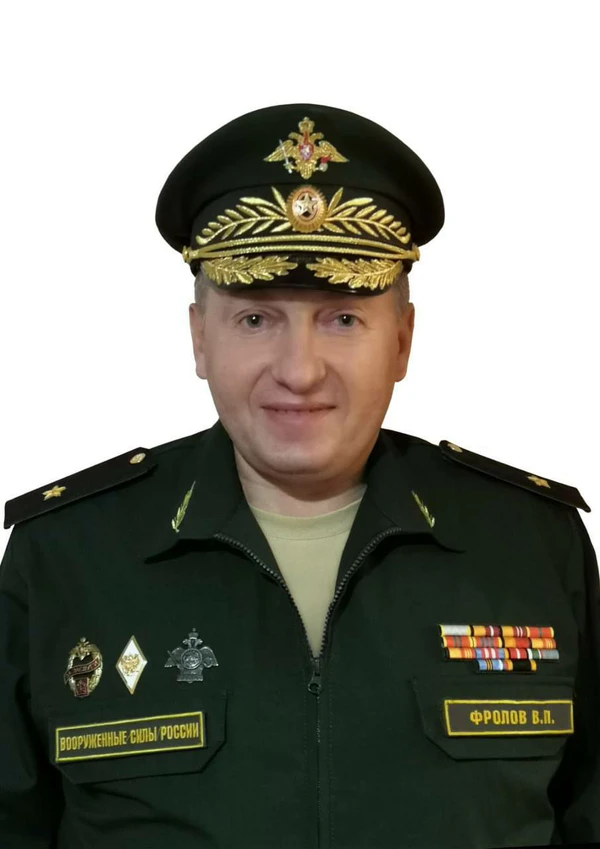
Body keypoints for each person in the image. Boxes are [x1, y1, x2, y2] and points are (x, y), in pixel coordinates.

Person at [0, 103, 598, 849]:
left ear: (403, 341)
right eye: (256, 319)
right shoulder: (64, 556)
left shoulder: (532, 545)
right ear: (199, 339)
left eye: (343, 318)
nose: (300, 371)